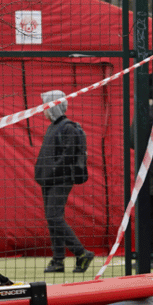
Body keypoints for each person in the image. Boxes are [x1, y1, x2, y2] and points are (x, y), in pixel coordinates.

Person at [34, 90, 94, 273]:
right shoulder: (52, 127)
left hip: (60, 180)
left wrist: (51, 172)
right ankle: (58, 260)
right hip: (48, 180)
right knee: (52, 219)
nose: (42, 110)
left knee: (54, 217)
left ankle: (81, 253)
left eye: (45, 106)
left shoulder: (68, 127)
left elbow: (67, 157)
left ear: (54, 107)